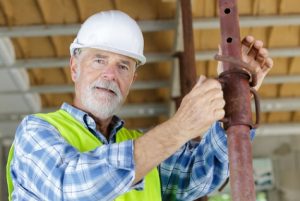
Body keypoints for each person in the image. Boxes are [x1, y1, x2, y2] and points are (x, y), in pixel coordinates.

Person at [6, 10, 273, 201]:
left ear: (132, 79)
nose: (110, 74)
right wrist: (179, 127)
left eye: (123, 66)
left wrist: (237, 96)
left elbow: (204, 172)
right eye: (99, 60)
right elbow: (70, 188)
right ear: (74, 67)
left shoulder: (147, 151)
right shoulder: (36, 132)